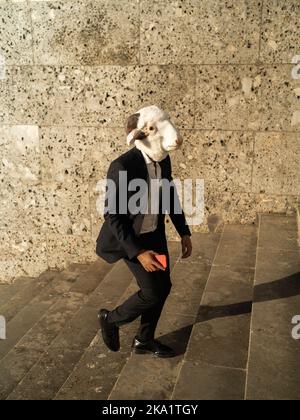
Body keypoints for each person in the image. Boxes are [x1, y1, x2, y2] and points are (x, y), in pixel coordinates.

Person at [96, 106, 192, 358]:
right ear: (142, 136)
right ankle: (111, 319)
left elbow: (170, 195)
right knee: (152, 292)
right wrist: (138, 253)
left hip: (154, 234)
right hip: (129, 239)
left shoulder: (164, 160)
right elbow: (113, 215)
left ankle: (144, 339)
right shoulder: (122, 167)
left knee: (165, 286)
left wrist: (184, 231)